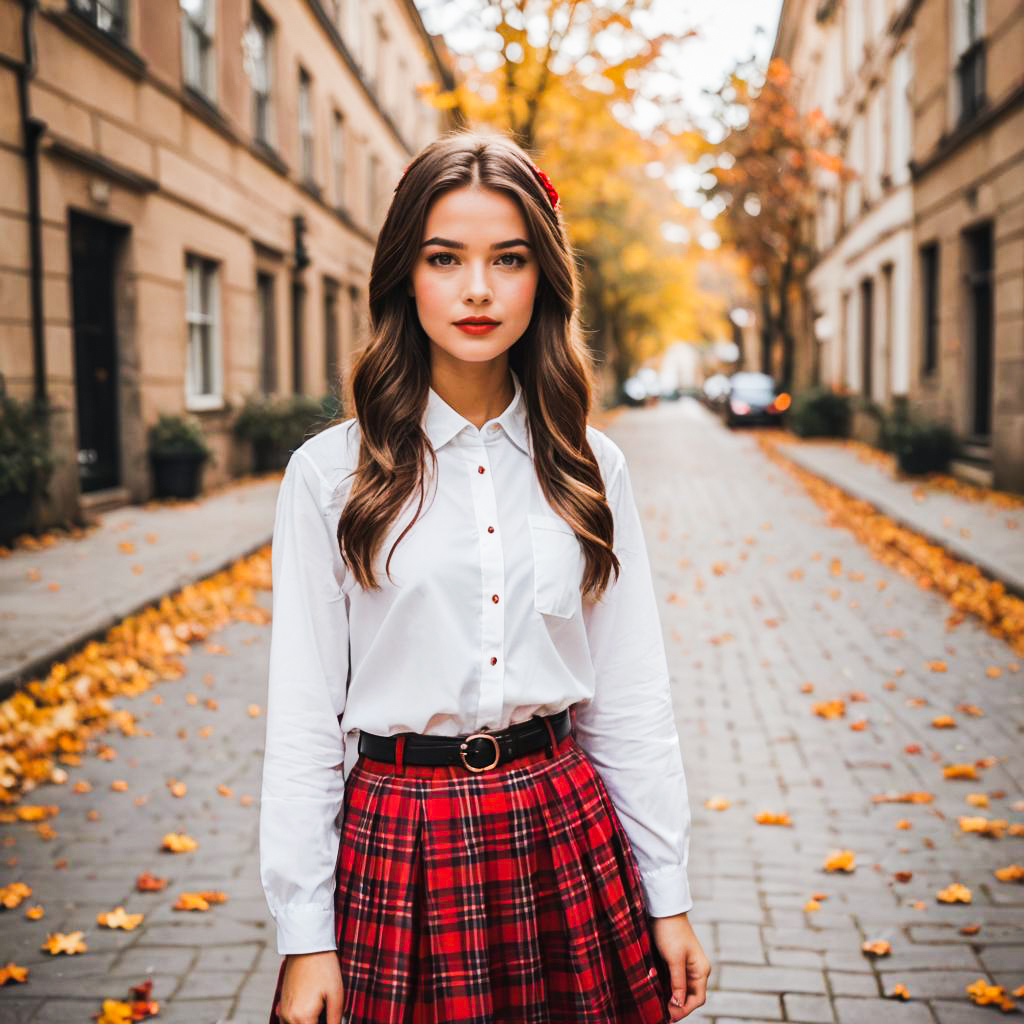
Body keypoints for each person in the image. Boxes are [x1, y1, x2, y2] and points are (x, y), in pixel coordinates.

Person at [259, 129, 710, 1024]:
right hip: (400, 847)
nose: (476, 289)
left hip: (562, 837)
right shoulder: (328, 474)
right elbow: (304, 717)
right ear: (404, 275)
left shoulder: (590, 466)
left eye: (507, 258)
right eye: (444, 257)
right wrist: (303, 935)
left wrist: (670, 893)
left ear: (541, 276)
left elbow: (629, 697)